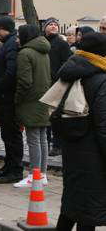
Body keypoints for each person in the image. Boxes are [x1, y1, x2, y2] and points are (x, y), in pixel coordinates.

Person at [55, 33, 106, 231]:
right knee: (88, 211)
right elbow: (104, 126)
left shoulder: (70, 72)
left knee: (72, 204)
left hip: (72, 148)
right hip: (93, 153)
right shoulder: (100, 78)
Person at [13, 24, 51, 188]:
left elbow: (25, 81)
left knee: (33, 139)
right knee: (42, 138)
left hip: (30, 101)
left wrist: (17, 99)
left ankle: (34, 174)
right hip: (44, 99)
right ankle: (41, 174)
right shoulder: (44, 52)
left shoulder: (25, 53)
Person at [0, 16, 24, 184]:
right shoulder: (9, 43)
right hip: (6, 96)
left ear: (7, 29)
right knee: (7, 134)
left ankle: (15, 169)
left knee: (12, 135)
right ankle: (9, 165)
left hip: (8, 97)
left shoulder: (11, 45)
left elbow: (11, 72)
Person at [42, 18, 72, 157]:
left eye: (55, 24)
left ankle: (57, 144)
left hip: (57, 83)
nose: (53, 26)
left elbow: (67, 63)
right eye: (50, 24)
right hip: (43, 83)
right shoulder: (42, 42)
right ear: (45, 27)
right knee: (44, 115)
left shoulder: (62, 44)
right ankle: (45, 142)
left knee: (55, 116)